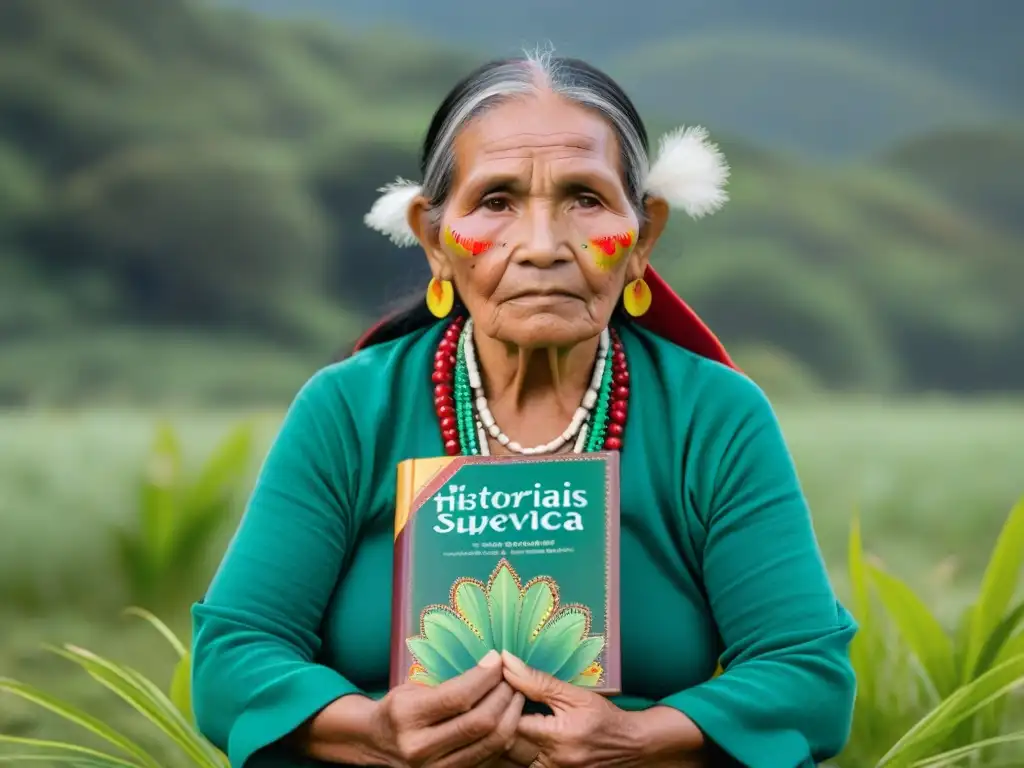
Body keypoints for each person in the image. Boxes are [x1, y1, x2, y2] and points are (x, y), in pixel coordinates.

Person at [191, 50, 857, 768]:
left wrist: (640, 740)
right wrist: (371, 730)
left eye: (586, 199)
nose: (542, 246)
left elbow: (807, 676)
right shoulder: (349, 410)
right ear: (435, 240)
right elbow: (234, 658)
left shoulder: (715, 418)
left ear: (644, 237)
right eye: (497, 202)